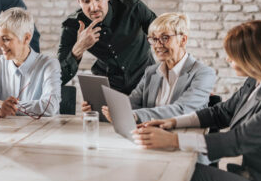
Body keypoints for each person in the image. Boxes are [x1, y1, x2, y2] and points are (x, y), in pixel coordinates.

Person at [133, 20, 261, 181]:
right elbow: (221, 112)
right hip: (251, 180)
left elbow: (235, 142)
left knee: (184, 176)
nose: (227, 58)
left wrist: (172, 141)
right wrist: (172, 122)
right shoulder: (255, 82)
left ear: (252, 57)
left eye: (232, 54)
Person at [83, 13, 216, 123]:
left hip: (183, 143)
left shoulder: (203, 73)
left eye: (165, 38)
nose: (158, 45)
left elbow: (182, 110)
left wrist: (134, 116)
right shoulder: (151, 72)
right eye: (153, 39)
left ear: (183, 40)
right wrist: (103, 109)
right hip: (150, 138)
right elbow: (132, 103)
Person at [58, 0, 157, 95]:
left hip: (146, 82)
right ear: (79, 2)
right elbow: (58, 78)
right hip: (109, 90)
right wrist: (78, 49)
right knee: (91, 114)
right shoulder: (72, 25)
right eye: (86, 1)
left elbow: (163, 34)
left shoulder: (133, 8)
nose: (93, 7)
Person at [0, 8, 61, 118]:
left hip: (41, 132)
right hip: (8, 131)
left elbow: (50, 106)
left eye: (6, 39)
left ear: (26, 38)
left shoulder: (49, 65)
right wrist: (0, 109)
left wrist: (4, 106)